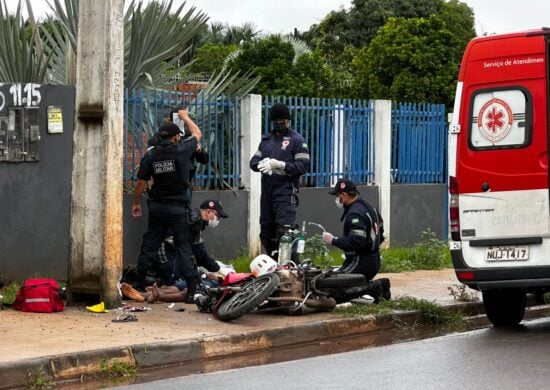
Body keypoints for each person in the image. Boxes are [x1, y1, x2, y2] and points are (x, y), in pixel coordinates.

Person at [132, 110, 201, 303]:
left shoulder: (151, 154)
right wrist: (186, 117)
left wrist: (136, 203)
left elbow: (140, 183)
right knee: (184, 247)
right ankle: (192, 288)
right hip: (179, 209)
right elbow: (197, 134)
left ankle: (138, 283)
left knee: (150, 244)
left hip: (158, 207)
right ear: (176, 137)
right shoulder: (182, 149)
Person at [249, 103, 310, 259]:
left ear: (288, 120)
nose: (279, 123)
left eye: (282, 120)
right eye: (276, 120)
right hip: (267, 193)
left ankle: (290, 266)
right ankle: (273, 264)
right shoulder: (266, 140)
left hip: (285, 193)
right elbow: (253, 162)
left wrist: (281, 165)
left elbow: (303, 166)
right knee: (266, 233)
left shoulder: (297, 140)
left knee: (285, 233)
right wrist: (262, 164)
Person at [321, 178, 391, 303]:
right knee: (337, 280)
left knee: (328, 289)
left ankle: (374, 288)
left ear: (344, 195)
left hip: (360, 262)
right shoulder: (369, 206)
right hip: (373, 260)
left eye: (338, 196)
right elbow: (380, 232)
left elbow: (356, 241)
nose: (337, 199)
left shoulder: (355, 214)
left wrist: (333, 240)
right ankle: (367, 287)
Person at [148, 109, 209, 182]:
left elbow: (204, 160)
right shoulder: (161, 136)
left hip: (184, 181)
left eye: (181, 120)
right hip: (164, 180)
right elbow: (150, 151)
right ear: (170, 120)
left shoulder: (189, 136)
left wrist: (199, 151)